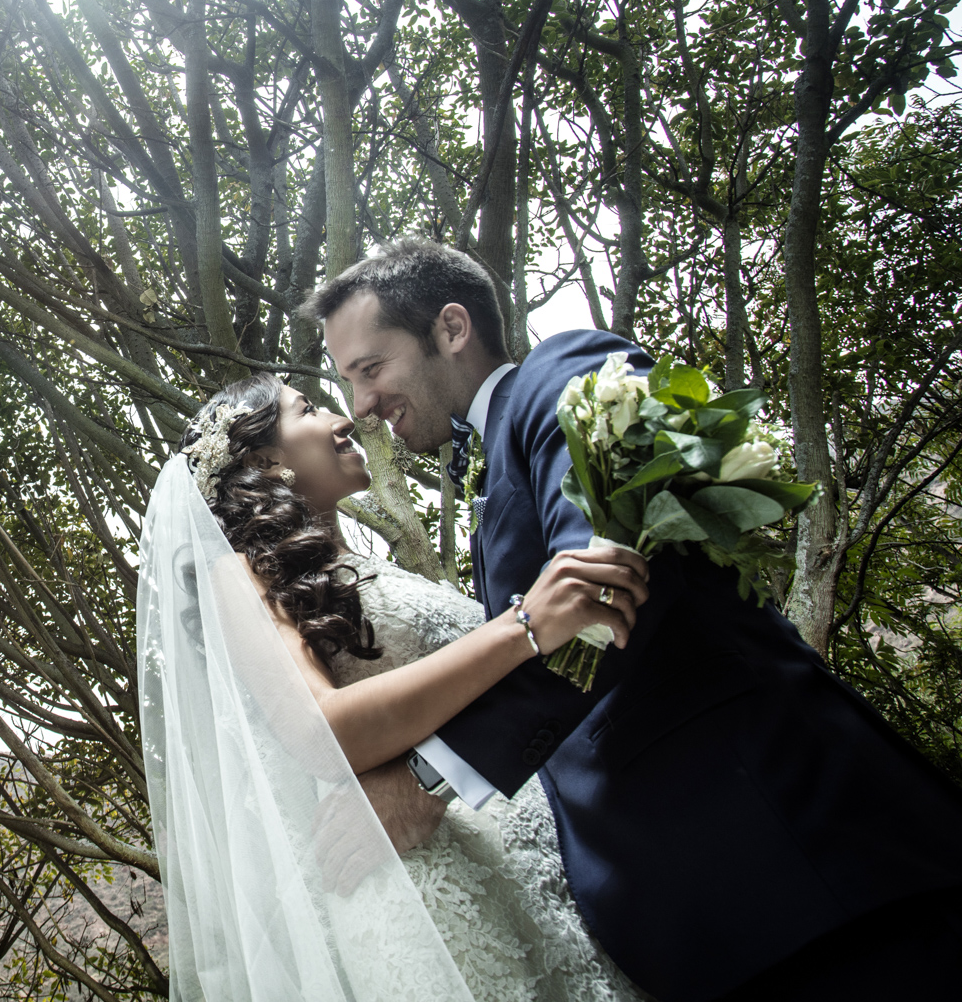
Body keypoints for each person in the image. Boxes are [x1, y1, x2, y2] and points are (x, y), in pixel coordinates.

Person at [308, 238, 962, 1001]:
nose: (360, 406)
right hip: (698, 909)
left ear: (452, 329)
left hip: (794, 853)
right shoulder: (494, 478)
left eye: (369, 369)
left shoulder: (570, 375)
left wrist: (430, 775)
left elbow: (605, 591)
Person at [139, 372, 651, 1000]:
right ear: (268, 462)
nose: (341, 417)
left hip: (517, 855)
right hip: (433, 891)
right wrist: (524, 626)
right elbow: (321, 729)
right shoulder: (235, 575)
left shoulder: (351, 566)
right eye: (308, 410)